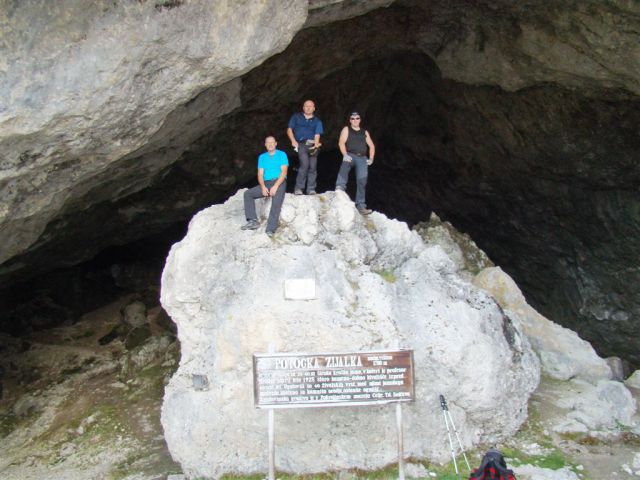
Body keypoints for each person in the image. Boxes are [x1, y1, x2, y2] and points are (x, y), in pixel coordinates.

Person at [241, 136, 289, 237]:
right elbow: (260, 174)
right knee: (248, 194)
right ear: (265, 145)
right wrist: (262, 187)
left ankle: (270, 229)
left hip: (279, 182)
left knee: (276, 203)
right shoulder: (262, 157)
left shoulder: (282, 154)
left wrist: (275, 186)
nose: (270, 144)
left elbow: (284, 172)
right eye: (268, 143)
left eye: (272, 142)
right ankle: (253, 221)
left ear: (276, 143)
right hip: (266, 183)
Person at [335, 112, 375, 215]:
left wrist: (371, 158)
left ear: (360, 120)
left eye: (357, 118)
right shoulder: (346, 129)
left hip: (362, 158)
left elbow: (371, 146)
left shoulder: (364, 132)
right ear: (350, 120)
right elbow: (341, 142)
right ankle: (340, 187)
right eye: (352, 118)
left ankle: (361, 206)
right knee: (345, 164)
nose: (355, 120)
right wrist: (345, 154)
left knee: (362, 180)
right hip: (351, 155)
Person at [287, 99, 323, 195]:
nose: (308, 108)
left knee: (313, 166)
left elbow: (317, 134)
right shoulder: (296, 117)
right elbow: (289, 129)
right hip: (301, 144)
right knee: (304, 164)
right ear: (303, 108)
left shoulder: (317, 121)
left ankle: (311, 189)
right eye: (306, 106)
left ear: (314, 108)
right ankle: (299, 188)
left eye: (310, 106)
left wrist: (316, 145)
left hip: (312, 144)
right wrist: (293, 141)